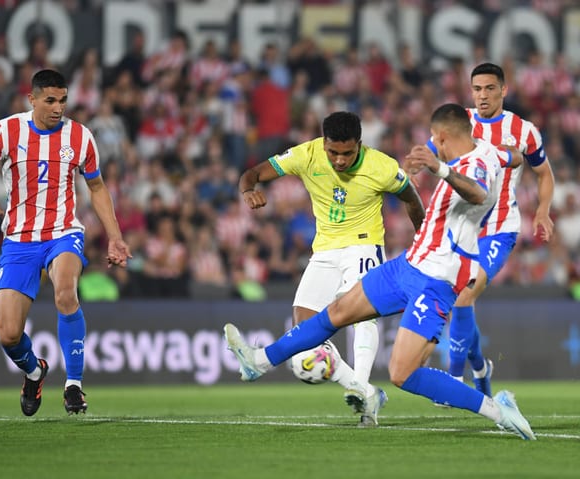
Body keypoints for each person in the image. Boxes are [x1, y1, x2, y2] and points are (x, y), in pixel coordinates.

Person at [225, 103, 537, 441]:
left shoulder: (474, 164)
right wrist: (510, 154)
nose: (433, 146)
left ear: (443, 137)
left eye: (435, 140)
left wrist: (440, 169)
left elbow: (476, 194)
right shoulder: (492, 154)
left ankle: (497, 409)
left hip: (437, 280)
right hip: (409, 264)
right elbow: (516, 157)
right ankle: (259, 361)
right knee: (340, 311)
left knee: (402, 374)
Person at [0, 69, 131, 416]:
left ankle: (74, 386)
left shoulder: (80, 137)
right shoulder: (6, 131)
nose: (58, 108)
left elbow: (97, 188)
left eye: (63, 100)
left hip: (64, 231)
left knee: (65, 290)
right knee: (8, 334)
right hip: (19, 239)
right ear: (32, 99)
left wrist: (115, 237)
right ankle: (35, 372)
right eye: (50, 100)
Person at [238, 111, 425, 425]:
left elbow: (411, 198)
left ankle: (364, 392)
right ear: (323, 144)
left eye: (347, 153)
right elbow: (252, 174)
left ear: (360, 146)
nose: (339, 160)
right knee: (304, 325)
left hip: (364, 244)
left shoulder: (381, 166)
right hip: (324, 250)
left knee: (362, 312)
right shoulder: (307, 154)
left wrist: (423, 240)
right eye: (333, 152)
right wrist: (248, 191)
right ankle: (361, 389)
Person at [439, 63, 555, 396]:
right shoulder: (458, 122)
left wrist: (543, 211)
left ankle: (455, 380)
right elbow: (436, 155)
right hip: (462, 227)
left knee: (465, 293)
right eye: (477, 89)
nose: (483, 95)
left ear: (504, 90)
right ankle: (480, 367)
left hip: (499, 227)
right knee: (463, 301)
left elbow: (544, 173)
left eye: (490, 88)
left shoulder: (524, 130)